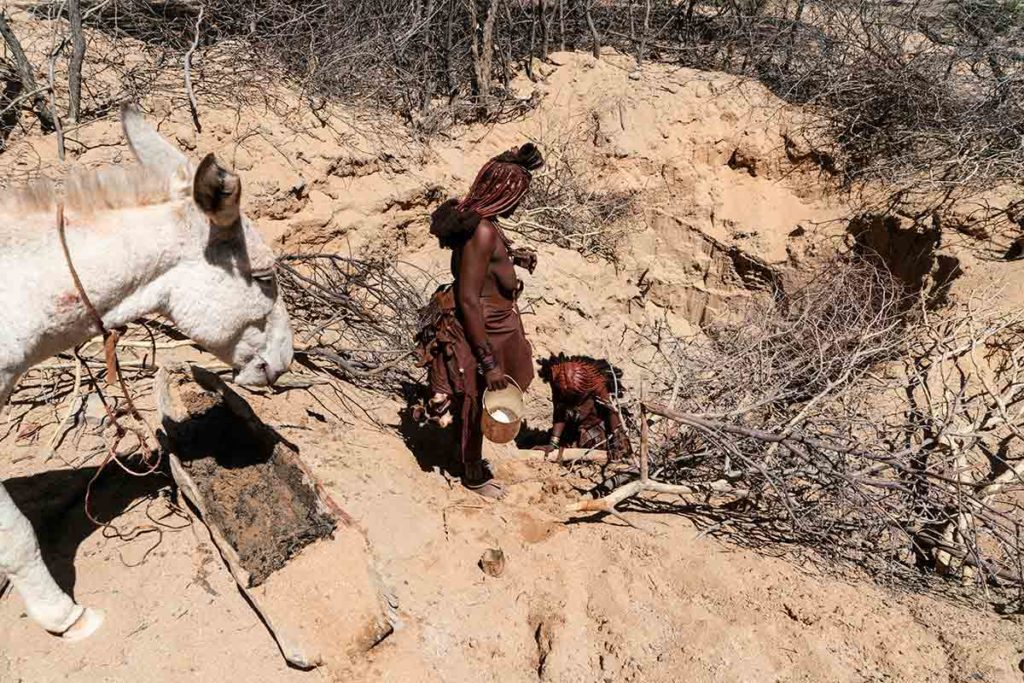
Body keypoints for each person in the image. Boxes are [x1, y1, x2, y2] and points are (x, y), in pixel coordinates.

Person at [414, 144, 543, 499]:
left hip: (496, 325)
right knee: (474, 397)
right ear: (502, 193)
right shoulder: (482, 232)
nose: (520, 204)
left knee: (478, 397)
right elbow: (469, 299)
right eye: (517, 196)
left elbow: (485, 264)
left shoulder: (487, 227)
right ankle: (472, 473)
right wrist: (487, 362)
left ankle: (468, 457)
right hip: (480, 328)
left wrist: (513, 257)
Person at [537, 353, 632, 460]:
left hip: (597, 427)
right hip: (575, 426)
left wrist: (618, 442)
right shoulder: (556, 380)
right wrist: (553, 443)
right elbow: (559, 411)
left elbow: (611, 412)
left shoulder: (597, 382)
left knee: (593, 441)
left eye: (575, 396)